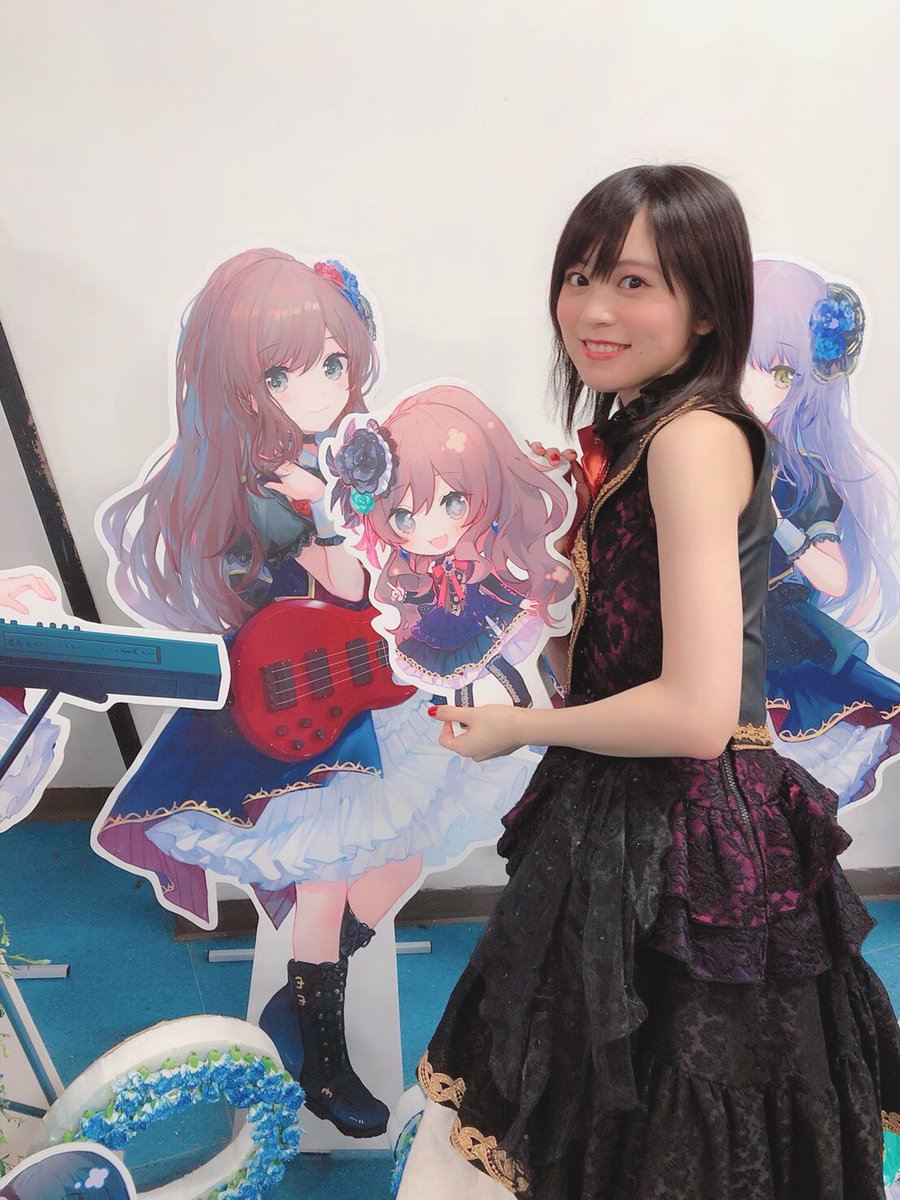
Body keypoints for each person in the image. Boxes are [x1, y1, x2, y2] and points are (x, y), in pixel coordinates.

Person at [397, 165, 900, 1198]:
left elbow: (698, 713)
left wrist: (518, 728)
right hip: (629, 813)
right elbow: (621, 661)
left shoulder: (691, 440)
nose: (592, 310)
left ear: (706, 308)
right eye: (579, 276)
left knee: (663, 1119)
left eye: (633, 283)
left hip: (686, 828)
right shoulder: (645, 434)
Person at [92, 249, 532, 1139]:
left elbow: (388, 568)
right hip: (286, 697)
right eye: (281, 374)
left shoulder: (346, 459)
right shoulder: (254, 484)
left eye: (333, 364)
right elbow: (344, 580)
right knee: (326, 875)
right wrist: (329, 510)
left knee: (404, 850)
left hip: (359, 681)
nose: (317, 390)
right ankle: (323, 1058)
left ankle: (302, 1004)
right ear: (238, 382)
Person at [744, 258, 900, 808]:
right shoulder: (690, 445)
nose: (751, 385)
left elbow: (833, 578)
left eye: (781, 373)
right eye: (738, 360)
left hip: (774, 638)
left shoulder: (801, 474)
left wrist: (776, 523)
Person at [327, 384, 574, 708]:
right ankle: (466, 715)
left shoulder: (475, 558)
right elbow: (424, 593)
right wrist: (409, 596)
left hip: (480, 615)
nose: (434, 532)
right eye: (404, 519)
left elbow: (490, 582)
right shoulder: (422, 567)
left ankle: (521, 700)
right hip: (447, 624)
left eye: (454, 502)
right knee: (459, 673)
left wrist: (519, 597)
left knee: (493, 661)